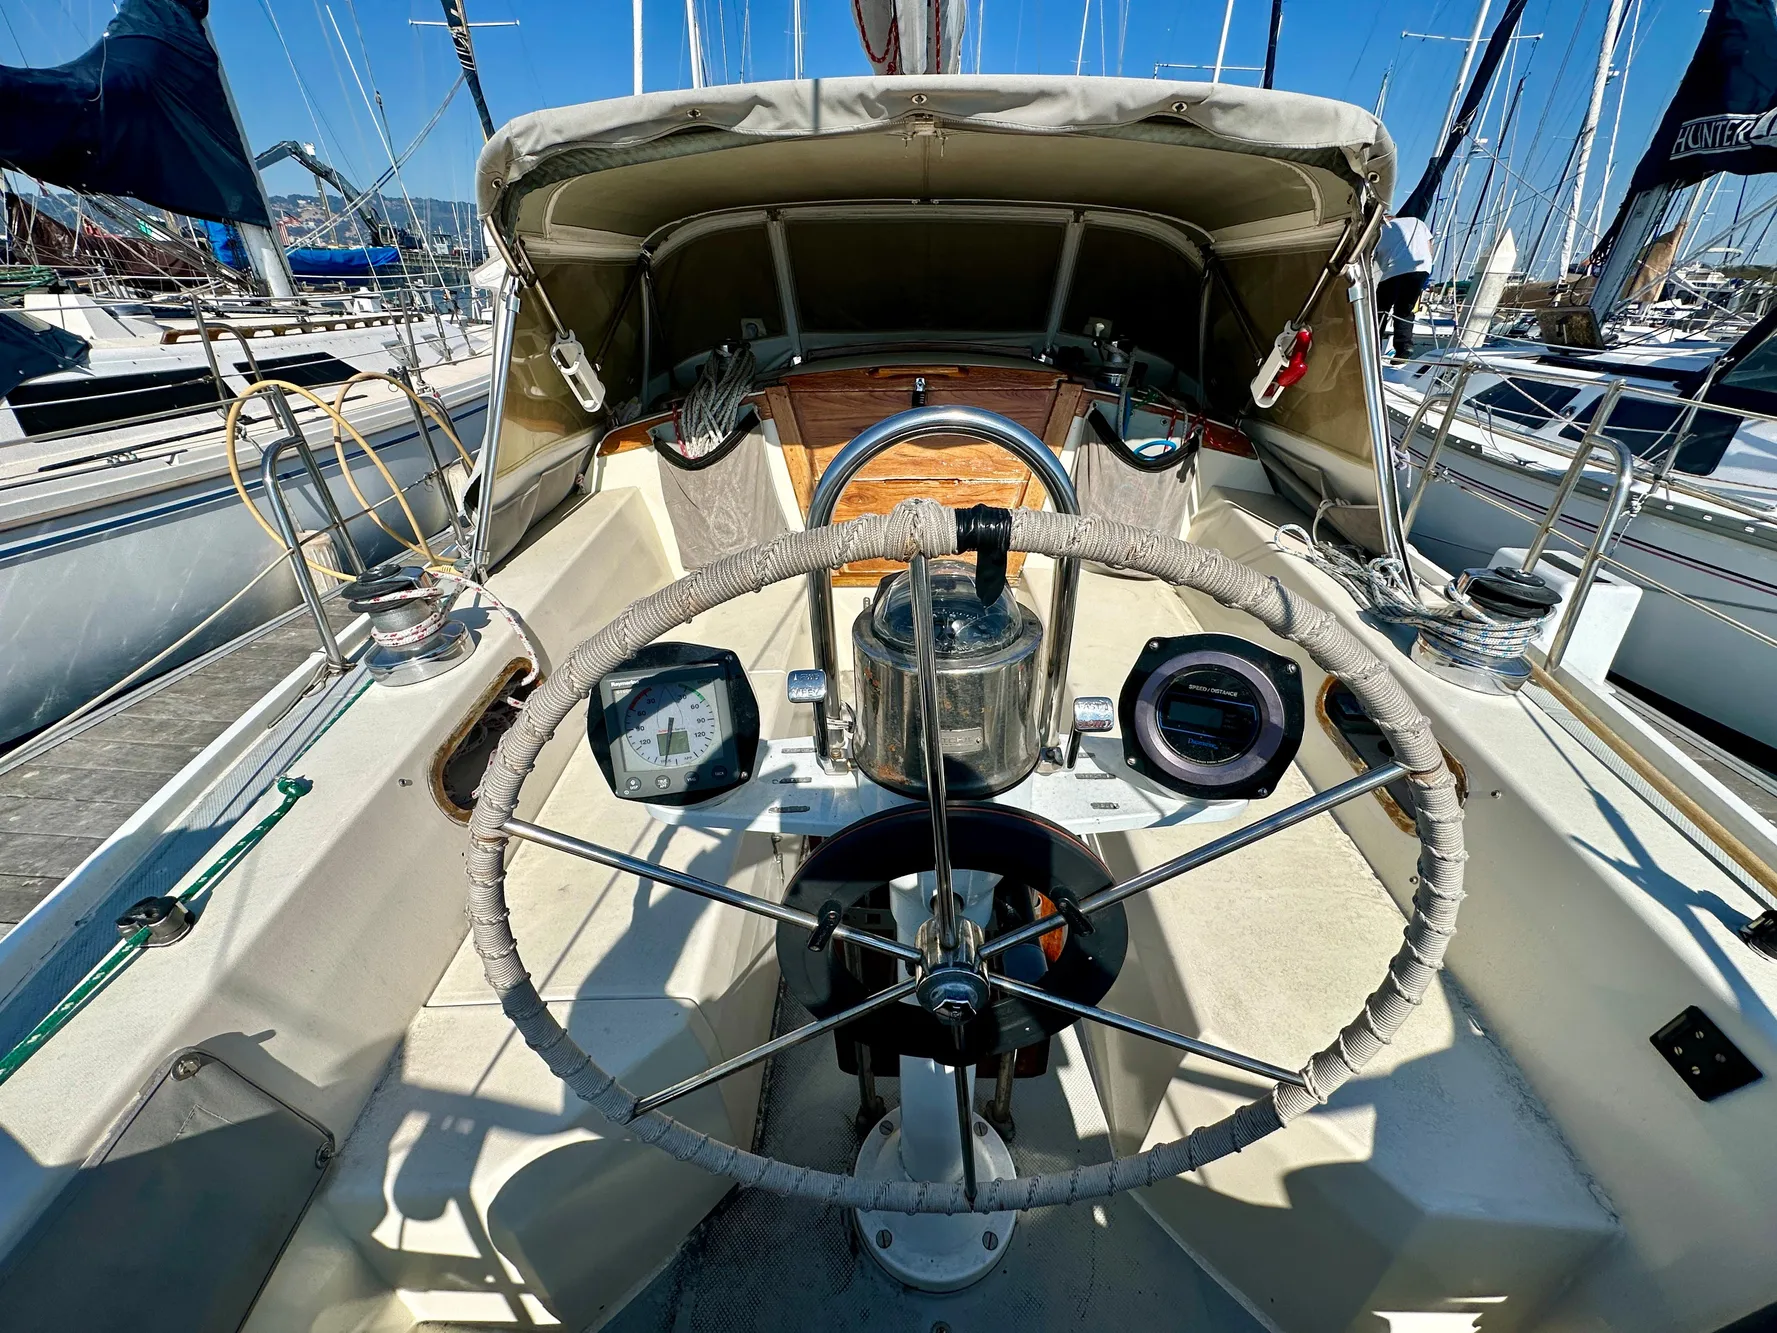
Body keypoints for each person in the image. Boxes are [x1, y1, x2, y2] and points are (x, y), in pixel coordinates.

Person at [1374, 212, 1433, 360]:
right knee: (1405, 310)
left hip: (1394, 271)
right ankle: (1404, 348)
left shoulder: (1379, 231)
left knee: (1381, 309)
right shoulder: (1416, 221)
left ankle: (1374, 346)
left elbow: (1370, 258)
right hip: (1421, 268)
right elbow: (1429, 244)